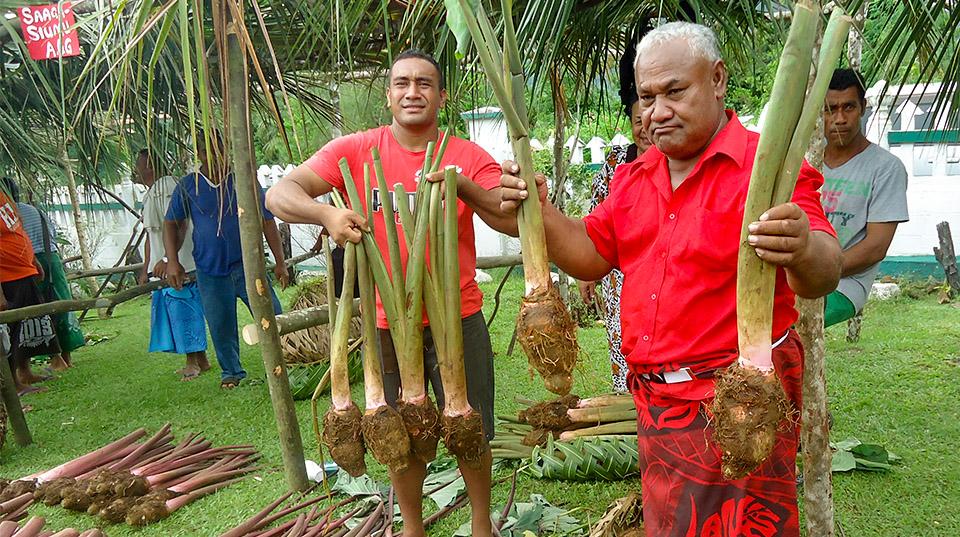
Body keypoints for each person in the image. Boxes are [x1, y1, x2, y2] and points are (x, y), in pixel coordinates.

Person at [499, 23, 841, 536]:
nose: (657, 111)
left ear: (718, 79)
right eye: (647, 96)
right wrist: (540, 209)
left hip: (740, 406)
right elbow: (591, 255)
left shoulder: (763, 168)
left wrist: (802, 246)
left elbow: (824, 272)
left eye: (674, 92)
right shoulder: (635, 176)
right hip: (658, 407)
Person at [266, 49, 507, 537]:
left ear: (441, 96)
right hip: (387, 323)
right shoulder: (355, 151)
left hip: (458, 316)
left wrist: (467, 190)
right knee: (397, 434)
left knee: (472, 428)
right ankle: (412, 528)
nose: (412, 92)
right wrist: (328, 215)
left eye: (424, 83)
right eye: (402, 83)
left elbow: (507, 213)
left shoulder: (465, 156)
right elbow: (279, 195)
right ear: (389, 95)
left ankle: (483, 525)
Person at [162, 133, 289, 389]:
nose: (214, 155)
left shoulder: (244, 181)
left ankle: (286, 361)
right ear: (199, 153)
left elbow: (267, 222)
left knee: (273, 315)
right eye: (207, 150)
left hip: (248, 266)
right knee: (220, 324)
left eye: (219, 148)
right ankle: (231, 372)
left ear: (227, 149)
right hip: (209, 270)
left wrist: (280, 261)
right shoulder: (189, 185)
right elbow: (170, 223)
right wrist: (172, 261)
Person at [577, 41, 653, 393]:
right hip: (615, 274)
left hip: (652, 270)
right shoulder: (614, 163)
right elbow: (594, 214)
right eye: (638, 121)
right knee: (622, 341)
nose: (646, 128)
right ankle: (628, 406)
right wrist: (584, 273)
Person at [821, 68, 909, 328]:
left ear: (863, 107)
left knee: (780, 326)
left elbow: (876, 248)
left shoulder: (885, 168)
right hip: (794, 280)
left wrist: (816, 274)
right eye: (830, 109)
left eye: (848, 107)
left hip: (844, 287)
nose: (839, 119)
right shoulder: (805, 161)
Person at [134, 150, 210, 381]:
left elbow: (179, 223)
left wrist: (169, 260)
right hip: (163, 265)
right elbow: (150, 234)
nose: (136, 170)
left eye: (140, 165)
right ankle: (200, 359)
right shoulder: (151, 192)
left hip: (179, 264)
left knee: (184, 310)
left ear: (151, 167)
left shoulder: (166, 186)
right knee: (176, 310)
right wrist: (146, 267)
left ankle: (193, 362)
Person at [1, 177, 84, 372]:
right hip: (48, 257)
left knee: (35, 314)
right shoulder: (34, 211)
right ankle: (63, 358)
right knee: (55, 307)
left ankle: (45, 362)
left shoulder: (11, 212)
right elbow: (51, 234)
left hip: (29, 264)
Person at [0, 179, 61, 395]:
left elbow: (16, 230)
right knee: (10, 330)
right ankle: (13, 385)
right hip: (7, 275)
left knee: (27, 327)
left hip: (23, 270)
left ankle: (24, 371)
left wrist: (32, 260)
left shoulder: (4, 197)